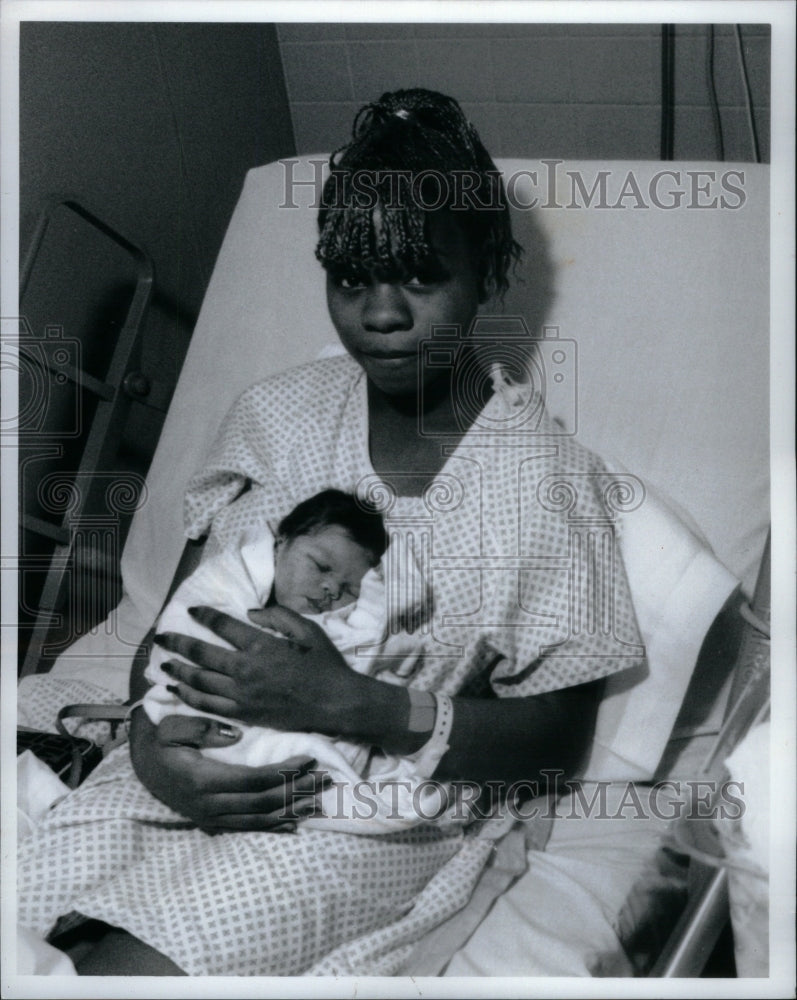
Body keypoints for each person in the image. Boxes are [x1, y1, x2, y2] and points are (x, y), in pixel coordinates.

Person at [18, 88, 645, 976]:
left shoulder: (544, 483)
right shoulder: (275, 417)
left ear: (489, 271)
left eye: (422, 276)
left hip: (360, 816)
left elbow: (554, 741)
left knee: (142, 970)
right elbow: (172, 625)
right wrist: (158, 756)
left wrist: (356, 705)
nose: (380, 313)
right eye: (352, 278)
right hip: (182, 759)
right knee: (24, 918)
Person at [143, 488, 451, 831]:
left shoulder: (339, 627)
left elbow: (366, 665)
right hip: (200, 728)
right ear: (280, 543)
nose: (331, 590)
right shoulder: (228, 584)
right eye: (320, 566)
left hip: (298, 738)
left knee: (331, 776)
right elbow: (181, 628)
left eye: (349, 589)